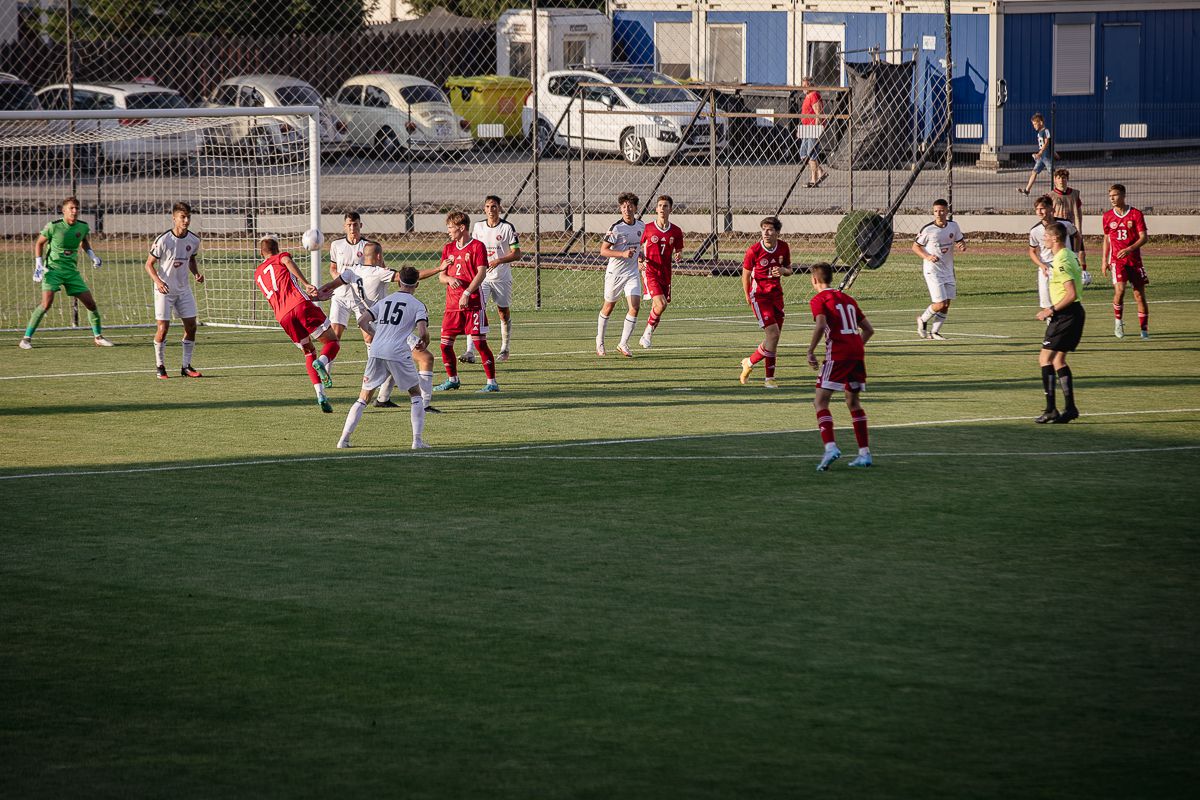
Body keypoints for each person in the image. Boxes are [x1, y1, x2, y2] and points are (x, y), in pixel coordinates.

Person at [325, 241, 445, 414]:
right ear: (379, 256)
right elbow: (410, 277)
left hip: (377, 329)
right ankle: (424, 405)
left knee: (384, 369)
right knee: (426, 358)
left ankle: (382, 399)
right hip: (388, 328)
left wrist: (315, 292)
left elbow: (332, 286)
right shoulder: (381, 273)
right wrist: (439, 269)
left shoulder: (353, 271)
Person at [336, 266, 431, 450]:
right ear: (417, 284)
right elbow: (422, 331)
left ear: (399, 282)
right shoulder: (417, 305)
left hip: (376, 350)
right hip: (398, 352)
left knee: (363, 397)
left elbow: (362, 321)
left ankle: (343, 439)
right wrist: (423, 342)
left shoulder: (386, 300)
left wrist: (375, 333)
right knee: (415, 394)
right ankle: (417, 441)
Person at [254, 236, 351, 412]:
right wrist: (306, 284)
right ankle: (322, 362)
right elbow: (288, 261)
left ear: (261, 253)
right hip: (301, 307)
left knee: (308, 352)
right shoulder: (281, 257)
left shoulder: (258, 273)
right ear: (277, 249)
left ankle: (320, 394)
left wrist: (314, 297)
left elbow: (283, 293)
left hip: (283, 317)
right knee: (332, 342)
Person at [805, 262, 874, 471]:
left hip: (838, 355)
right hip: (856, 354)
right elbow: (869, 330)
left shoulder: (819, 299)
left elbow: (820, 324)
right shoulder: (848, 299)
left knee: (820, 401)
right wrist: (854, 347)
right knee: (853, 402)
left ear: (814, 280)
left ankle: (830, 447)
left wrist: (810, 350)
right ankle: (864, 453)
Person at [20, 196, 113, 349]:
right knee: (46, 304)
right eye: (71, 208)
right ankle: (26, 339)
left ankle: (98, 337)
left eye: (77, 208)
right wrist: (38, 265)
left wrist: (93, 256)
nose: (75, 211)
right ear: (64, 211)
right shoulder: (53, 226)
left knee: (90, 304)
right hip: (52, 271)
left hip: (72, 273)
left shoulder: (82, 227)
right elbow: (39, 243)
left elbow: (84, 241)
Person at [434, 211, 499, 393]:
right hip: (452, 305)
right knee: (445, 345)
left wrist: (467, 292)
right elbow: (441, 275)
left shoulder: (477, 247)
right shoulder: (448, 248)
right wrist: (448, 279)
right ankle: (452, 379)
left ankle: (492, 383)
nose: (448, 231)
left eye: (450, 228)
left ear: (461, 228)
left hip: (473, 303)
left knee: (479, 343)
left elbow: (481, 272)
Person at [144, 202, 204, 378]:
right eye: (182, 217)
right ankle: (160, 366)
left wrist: (196, 274)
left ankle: (186, 366)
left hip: (183, 290)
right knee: (163, 329)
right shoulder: (163, 240)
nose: (186, 221)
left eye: (188, 217)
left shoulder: (193, 240)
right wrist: (159, 282)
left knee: (191, 327)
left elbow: (191, 259)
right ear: (174, 218)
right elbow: (148, 264)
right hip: (164, 291)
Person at [1034, 223, 1085, 424]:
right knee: (1058, 361)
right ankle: (1070, 408)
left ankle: (1051, 409)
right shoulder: (1069, 255)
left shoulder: (1062, 259)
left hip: (1065, 315)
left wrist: (1051, 310)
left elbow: (1071, 294)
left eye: (1046, 236)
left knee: (1044, 359)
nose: (1043, 239)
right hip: (1074, 314)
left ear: (1055, 238)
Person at [461, 195, 520, 364]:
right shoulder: (479, 227)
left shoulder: (507, 228)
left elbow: (516, 253)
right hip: (482, 278)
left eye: (494, 206)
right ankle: (469, 351)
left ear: (499, 208)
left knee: (503, 311)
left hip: (501, 277)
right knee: (475, 310)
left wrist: (499, 260)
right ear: (484, 209)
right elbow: (473, 249)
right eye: (487, 206)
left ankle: (505, 348)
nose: (490, 210)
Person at [739, 216, 796, 388]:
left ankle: (767, 377)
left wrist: (783, 270)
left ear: (777, 233)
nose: (766, 232)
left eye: (770, 229)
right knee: (773, 335)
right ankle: (751, 363)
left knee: (773, 339)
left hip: (777, 296)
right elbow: (746, 274)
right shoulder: (754, 250)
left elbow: (790, 270)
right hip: (760, 296)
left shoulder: (783, 247)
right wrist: (747, 295)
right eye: (764, 229)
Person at [596, 191, 645, 357]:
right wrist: (623, 254)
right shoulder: (616, 228)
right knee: (609, 307)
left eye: (630, 206)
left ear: (635, 208)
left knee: (635, 307)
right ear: (620, 209)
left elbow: (639, 246)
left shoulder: (641, 226)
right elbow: (603, 251)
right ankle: (600, 341)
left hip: (632, 273)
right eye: (623, 206)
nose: (626, 209)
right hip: (615, 274)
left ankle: (623, 343)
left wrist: (641, 255)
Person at [1101, 183, 1150, 339]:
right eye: (1110, 196)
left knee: (1139, 295)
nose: (1112, 199)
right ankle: (1118, 322)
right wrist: (1104, 260)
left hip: (1134, 261)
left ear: (1123, 195)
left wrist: (1129, 249)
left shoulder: (1135, 214)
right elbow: (1107, 239)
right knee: (1120, 291)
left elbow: (1144, 238)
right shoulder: (1107, 216)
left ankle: (1144, 331)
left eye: (1115, 195)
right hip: (1117, 261)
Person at [913, 199, 966, 340]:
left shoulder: (954, 226)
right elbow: (915, 247)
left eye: (941, 211)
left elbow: (960, 240)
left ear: (947, 211)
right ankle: (923, 320)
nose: (938, 214)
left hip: (948, 270)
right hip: (933, 271)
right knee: (940, 303)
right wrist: (928, 256)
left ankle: (934, 332)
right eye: (936, 211)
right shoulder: (928, 229)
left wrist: (961, 245)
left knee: (946, 304)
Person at [326, 211, 376, 357]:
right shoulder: (336, 245)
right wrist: (339, 278)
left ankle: (372, 374)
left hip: (361, 298)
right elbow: (333, 268)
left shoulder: (368, 246)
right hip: (340, 297)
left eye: (355, 225)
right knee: (334, 336)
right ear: (344, 227)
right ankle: (326, 374)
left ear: (360, 225)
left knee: (369, 337)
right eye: (349, 225)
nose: (352, 228)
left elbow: (378, 268)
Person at [638, 195, 684, 350]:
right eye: (660, 206)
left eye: (665, 206)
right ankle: (647, 334)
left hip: (665, 273)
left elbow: (679, 251)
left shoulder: (676, 231)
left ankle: (646, 334)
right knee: (661, 304)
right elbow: (637, 247)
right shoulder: (647, 228)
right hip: (650, 270)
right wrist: (639, 261)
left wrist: (678, 255)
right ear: (656, 209)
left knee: (658, 307)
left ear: (670, 209)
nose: (662, 209)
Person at [1028, 194, 1082, 312]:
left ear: (1051, 209)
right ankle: (1051, 325)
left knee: (1067, 297)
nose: (1039, 212)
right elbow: (1032, 251)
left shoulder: (1065, 224)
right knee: (1046, 302)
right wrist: (1041, 265)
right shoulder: (1035, 230)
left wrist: (1075, 254)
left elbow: (1077, 236)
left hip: (1064, 264)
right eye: (1037, 209)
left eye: (1042, 208)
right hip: (1047, 268)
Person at [1050, 169, 1087, 272]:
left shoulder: (1074, 194)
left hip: (1073, 227)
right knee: (1060, 252)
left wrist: (1079, 227)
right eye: (1059, 178)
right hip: (1060, 228)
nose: (1061, 180)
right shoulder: (1051, 195)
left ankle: (1083, 273)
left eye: (1064, 178)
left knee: (1081, 252)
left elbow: (1078, 211)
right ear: (1055, 180)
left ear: (1067, 179)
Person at [796, 78, 828, 188]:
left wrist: (816, 128)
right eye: (803, 86)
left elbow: (818, 112)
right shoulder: (808, 96)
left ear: (810, 85)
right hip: (807, 128)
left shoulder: (813, 95)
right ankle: (820, 171)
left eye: (805, 86)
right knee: (803, 153)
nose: (803, 88)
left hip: (813, 128)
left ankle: (814, 179)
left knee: (811, 154)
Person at [1018, 113, 1052, 196]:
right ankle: (1027, 190)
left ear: (1040, 122)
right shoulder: (1039, 133)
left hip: (1046, 156)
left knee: (1052, 173)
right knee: (1034, 172)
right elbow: (1044, 145)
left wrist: (1040, 152)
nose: (1034, 126)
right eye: (1033, 124)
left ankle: (1057, 190)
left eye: (1035, 124)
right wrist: (1039, 153)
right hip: (1041, 157)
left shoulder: (1046, 131)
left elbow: (1047, 142)